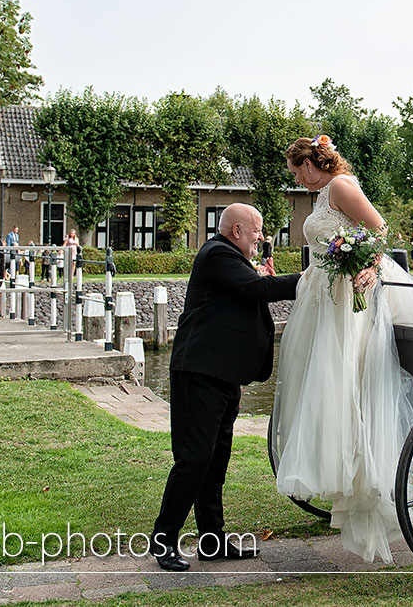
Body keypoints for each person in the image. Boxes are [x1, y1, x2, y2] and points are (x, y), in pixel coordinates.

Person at [272, 136, 413, 564]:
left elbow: (378, 229)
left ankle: (364, 470)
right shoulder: (323, 193)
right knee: (325, 382)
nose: (296, 179)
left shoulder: (340, 185)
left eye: (296, 171)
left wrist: (369, 266)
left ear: (309, 162)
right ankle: (341, 468)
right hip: (325, 294)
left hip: (347, 294)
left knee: (348, 377)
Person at [151, 203, 301, 572]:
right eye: (257, 231)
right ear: (236, 231)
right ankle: (163, 540)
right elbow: (260, 288)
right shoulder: (217, 254)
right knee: (194, 459)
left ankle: (212, 541)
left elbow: (252, 293)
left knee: (215, 460)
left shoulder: (229, 257)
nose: (261, 237)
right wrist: (314, 276)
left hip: (221, 376)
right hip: (198, 373)